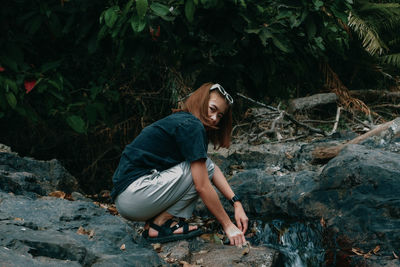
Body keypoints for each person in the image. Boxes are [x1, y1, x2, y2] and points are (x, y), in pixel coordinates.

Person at [111, 82, 248, 246]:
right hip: (134, 195)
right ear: (200, 102)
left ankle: (157, 224)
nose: (214, 118)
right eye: (212, 109)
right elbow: (202, 185)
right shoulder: (192, 126)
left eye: (220, 115)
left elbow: (212, 167)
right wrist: (228, 225)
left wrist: (236, 203)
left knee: (204, 166)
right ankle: (160, 224)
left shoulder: (184, 121)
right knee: (201, 172)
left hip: (129, 198)